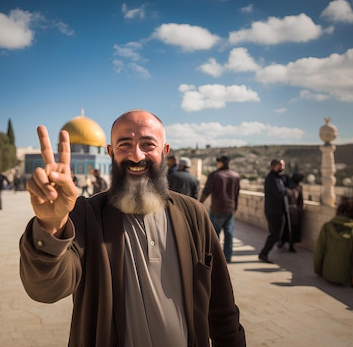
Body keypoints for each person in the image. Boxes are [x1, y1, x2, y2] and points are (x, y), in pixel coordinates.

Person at [19, 109, 246, 346]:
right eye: (124, 144)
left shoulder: (193, 214)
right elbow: (46, 289)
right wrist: (51, 224)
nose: (136, 156)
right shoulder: (86, 216)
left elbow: (222, 309)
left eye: (148, 144)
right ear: (110, 152)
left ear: (164, 151)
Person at [199, 155, 240, 263]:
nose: (217, 164)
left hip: (217, 209)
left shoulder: (215, 175)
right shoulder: (235, 175)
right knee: (229, 233)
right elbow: (236, 194)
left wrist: (199, 204)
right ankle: (227, 256)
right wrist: (235, 207)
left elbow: (206, 191)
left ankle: (214, 256)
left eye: (219, 162)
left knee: (214, 234)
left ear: (222, 163)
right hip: (230, 209)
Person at [313, 197, 353, 286]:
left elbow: (319, 251)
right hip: (347, 279)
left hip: (328, 275)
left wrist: (318, 271)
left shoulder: (327, 227)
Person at [258, 159, 289, 263]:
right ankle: (264, 253)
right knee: (275, 234)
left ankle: (264, 253)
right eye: (281, 165)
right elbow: (279, 192)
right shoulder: (272, 179)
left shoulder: (277, 178)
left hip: (276, 210)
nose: (283, 167)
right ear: (275, 166)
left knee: (275, 234)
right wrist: (288, 190)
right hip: (274, 211)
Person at [278, 173, 304, 252]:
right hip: (288, 211)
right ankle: (283, 242)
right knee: (287, 228)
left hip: (294, 212)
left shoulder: (298, 188)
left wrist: (299, 209)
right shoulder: (288, 188)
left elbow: (300, 200)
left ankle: (291, 244)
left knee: (293, 229)